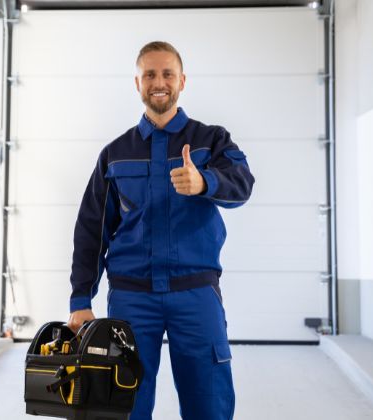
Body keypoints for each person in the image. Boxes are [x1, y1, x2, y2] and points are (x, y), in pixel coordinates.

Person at [67, 41, 255, 420]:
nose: (159, 82)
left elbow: (243, 184)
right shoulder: (115, 153)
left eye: (167, 73)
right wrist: (80, 300)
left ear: (182, 81)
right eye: (149, 74)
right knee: (123, 406)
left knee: (209, 403)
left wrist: (205, 182)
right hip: (132, 299)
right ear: (137, 83)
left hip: (195, 293)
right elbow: (91, 230)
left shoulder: (210, 140)